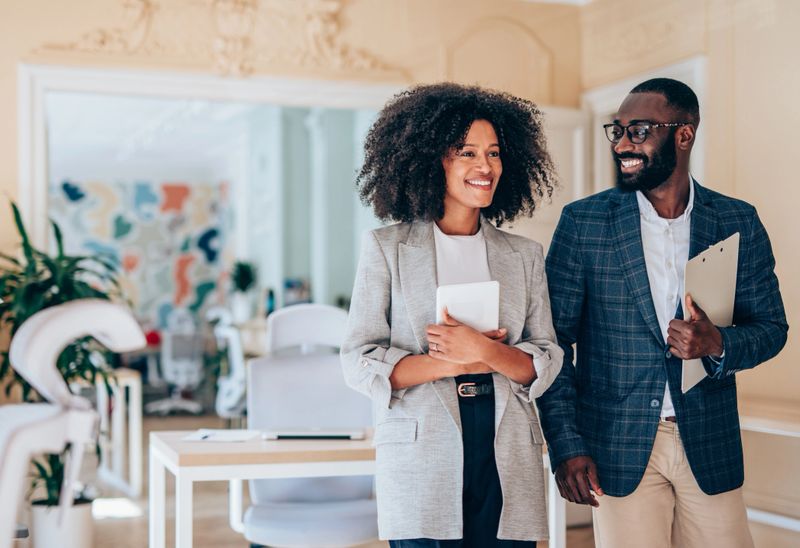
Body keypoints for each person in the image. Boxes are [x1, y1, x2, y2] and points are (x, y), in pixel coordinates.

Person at [537, 78, 788, 547]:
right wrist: (567, 446)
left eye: (640, 130)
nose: (624, 144)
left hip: (708, 442)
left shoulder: (737, 220)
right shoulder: (584, 223)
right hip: (617, 445)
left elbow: (773, 328)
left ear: (683, 134)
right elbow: (552, 344)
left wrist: (718, 344)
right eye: (618, 131)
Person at [340, 82, 563, 547]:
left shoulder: (524, 255)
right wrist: (458, 361)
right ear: (430, 160)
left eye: (495, 153)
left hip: (504, 442)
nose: (486, 167)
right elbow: (358, 359)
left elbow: (546, 358)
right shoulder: (386, 249)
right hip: (424, 444)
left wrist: (482, 350)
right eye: (467, 152)